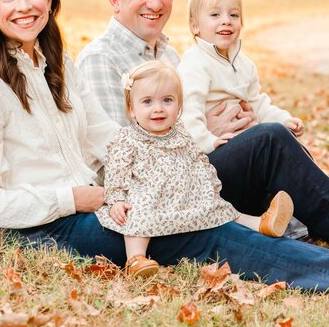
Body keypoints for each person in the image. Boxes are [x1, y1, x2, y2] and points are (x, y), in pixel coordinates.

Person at [0, 0, 329, 292]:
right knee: (196, 230)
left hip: (106, 202)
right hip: (46, 227)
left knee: (193, 211)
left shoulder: (57, 65)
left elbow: (110, 138)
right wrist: (70, 198)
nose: (24, 5)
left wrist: (174, 168)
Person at [76, 0, 329, 243]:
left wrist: (242, 127)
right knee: (270, 140)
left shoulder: (170, 54)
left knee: (276, 138)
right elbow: (119, 159)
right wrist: (209, 132)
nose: (155, 3)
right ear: (115, 0)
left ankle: (296, 221)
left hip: (197, 177)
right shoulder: (101, 59)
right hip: (161, 199)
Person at [97, 61, 294, 277]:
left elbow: (197, 158)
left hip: (186, 195)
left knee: (220, 208)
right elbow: (116, 171)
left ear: (179, 106)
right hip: (149, 198)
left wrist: (209, 184)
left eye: (167, 100)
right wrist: (115, 199)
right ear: (132, 110)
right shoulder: (127, 138)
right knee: (135, 216)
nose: (158, 108)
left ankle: (262, 224)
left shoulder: (180, 132)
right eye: (147, 102)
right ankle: (135, 258)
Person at [177, 0, 304, 154]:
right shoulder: (195, 62)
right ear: (195, 26)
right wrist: (208, 142)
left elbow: (257, 104)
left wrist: (283, 119)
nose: (226, 21)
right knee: (272, 137)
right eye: (215, 15)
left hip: (246, 142)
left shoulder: (245, 65)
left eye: (234, 15)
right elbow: (189, 112)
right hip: (213, 151)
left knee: (289, 142)